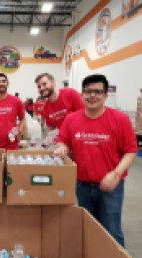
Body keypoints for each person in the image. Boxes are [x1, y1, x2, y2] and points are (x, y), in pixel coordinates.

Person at [54, 74, 137, 247]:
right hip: (82, 185)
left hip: (111, 186)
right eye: (88, 91)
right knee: (89, 228)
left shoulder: (120, 120)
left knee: (111, 231)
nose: (92, 96)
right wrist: (62, 147)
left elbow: (130, 151)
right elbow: (63, 141)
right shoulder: (71, 119)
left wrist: (116, 174)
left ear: (106, 95)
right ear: (82, 94)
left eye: (98, 92)